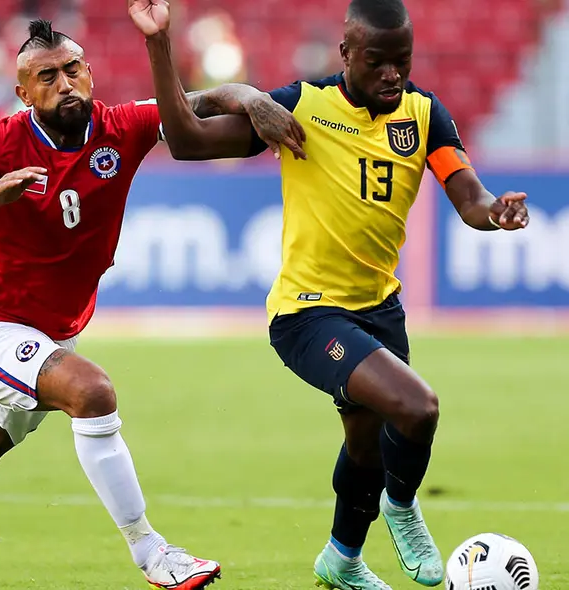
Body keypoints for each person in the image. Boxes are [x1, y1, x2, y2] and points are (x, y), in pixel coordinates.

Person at [0, 19, 298, 589]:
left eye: (73, 70)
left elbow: (205, 99)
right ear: (24, 93)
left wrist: (252, 98)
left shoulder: (121, 126)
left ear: (89, 72)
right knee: (92, 393)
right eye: (47, 77)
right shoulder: (1, 141)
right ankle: (153, 553)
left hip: (51, 335)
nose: (65, 84)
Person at [128, 0, 531, 589]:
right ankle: (400, 506)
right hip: (308, 313)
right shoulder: (303, 108)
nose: (393, 75)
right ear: (346, 54)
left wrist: (494, 213)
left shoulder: (423, 114)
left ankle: (341, 561)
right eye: (377, 62)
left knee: (366, 444)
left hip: (380, 308)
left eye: (403, 62)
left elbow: (468, 196)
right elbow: (187, 140)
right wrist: (165, 47)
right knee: (418, 409)